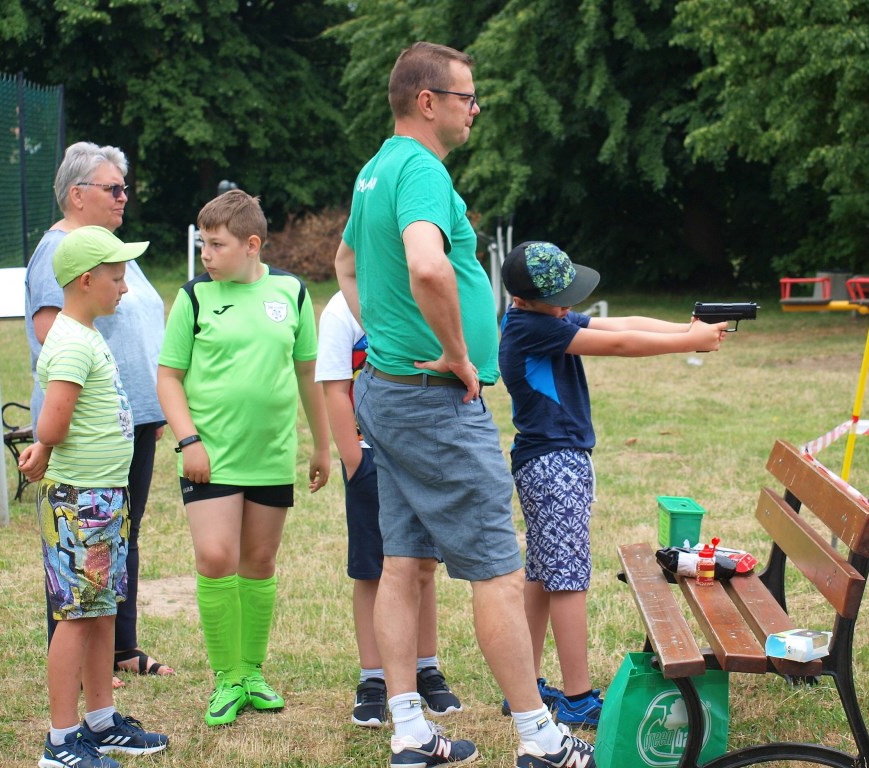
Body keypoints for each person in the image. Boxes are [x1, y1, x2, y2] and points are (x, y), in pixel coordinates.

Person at [334, 41, 595, 768]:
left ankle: (410, 730)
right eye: (465, 96)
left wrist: (385, 333)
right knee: (499, 573)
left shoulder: (375, 168)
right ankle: (539, 738)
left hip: (387, 392)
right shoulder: (421, 170)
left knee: (402, 562)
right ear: (428, 102)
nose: (474, 108)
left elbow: (346, 263)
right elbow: (426, 264)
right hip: (434, 402)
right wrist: (454, 351)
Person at [498, 241, 727, 728]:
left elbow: (620, 324)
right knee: (567, 580)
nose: (569, 307)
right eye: (560, 300)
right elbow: (619, 345)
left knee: (542, 576)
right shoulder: (531, 326)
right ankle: (577, 698)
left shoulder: (540, 318)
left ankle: (524, 688)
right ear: (525, 299)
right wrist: (689, 342)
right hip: (555, 465)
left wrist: (686, 330)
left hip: (549, 461)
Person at [156, 189, 331, 728]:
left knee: (259, 563)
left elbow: (308, 373)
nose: (206, 255)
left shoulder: (291, 292)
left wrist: (321, 444)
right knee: (215, 558)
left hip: (270, 456)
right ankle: (226, 677)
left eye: (217, 245)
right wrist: (189, 441)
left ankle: (253, 672)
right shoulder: (193, 298)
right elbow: (168, 377)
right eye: (203, 244)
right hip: (209, 456)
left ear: (251, 245)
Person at [18, 225, 168, 768]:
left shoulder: (85, 333)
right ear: (85, 281)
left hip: (104, 499)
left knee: (101, 610)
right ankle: (60, 742)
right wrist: (43, 444)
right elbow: (52, 421)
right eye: (116, 278)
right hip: (81, 504)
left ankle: (101, 721)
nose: (124, 288)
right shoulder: (70, 342)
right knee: (76, 617)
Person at [23, 141, 172, 685]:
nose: (123, 196)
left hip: (128, 422)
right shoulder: (60, 251)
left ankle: (119, 648)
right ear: (77, 193)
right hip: (88, 429)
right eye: (113, 188)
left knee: (118, 536)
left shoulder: (109, 248)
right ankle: (80, 658)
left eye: (124, 187)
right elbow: (54, 334)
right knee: (78, 546)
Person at [315, 290, 463, 728]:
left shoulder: (421, 297)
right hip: (369, 456)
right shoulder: (342, 309)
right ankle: (373, 677)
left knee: (422, 563)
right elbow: (334, 388)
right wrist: (353, 458)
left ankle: (425, 668)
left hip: (421, 449)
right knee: (372, 569)